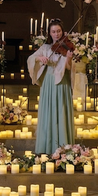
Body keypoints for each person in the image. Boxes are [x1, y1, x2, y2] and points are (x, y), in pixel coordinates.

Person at [27, 19, 74, 155]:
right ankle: (47, 148)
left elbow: (69, 68)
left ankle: (63, 148)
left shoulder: (68, 47)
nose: (56, 34)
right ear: (50, 33)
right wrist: (39, 58)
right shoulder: (45, 48)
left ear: (62, 32)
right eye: (53, 31)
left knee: (61, 111)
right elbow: (31, 59)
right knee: (48, 111)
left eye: (58, 31)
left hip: (62, 82)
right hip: (48, 82)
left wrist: (69, 58)